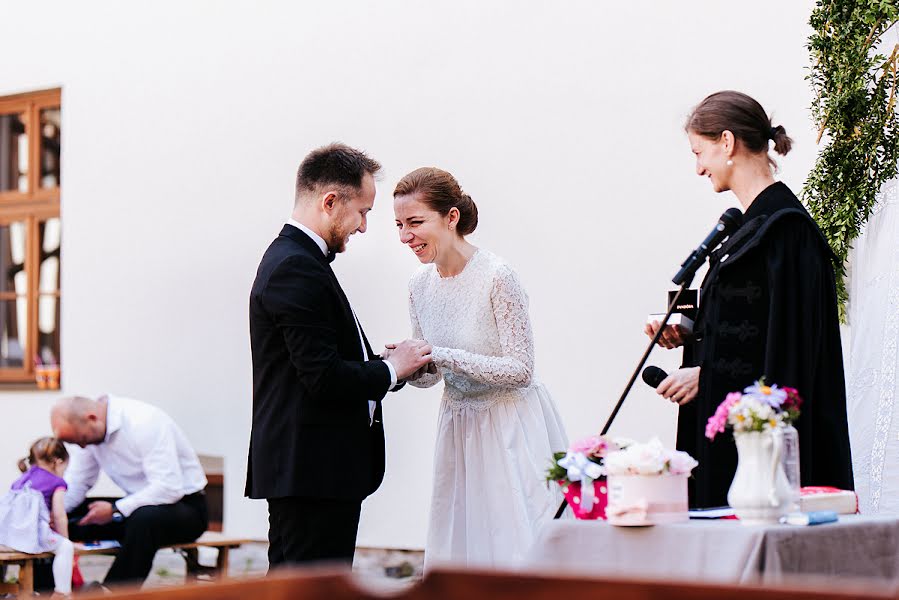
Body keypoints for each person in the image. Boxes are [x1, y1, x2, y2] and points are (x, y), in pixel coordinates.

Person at [645, 91, 854, 508]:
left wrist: (708, 375)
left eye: (699, 152)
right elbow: (747, 324)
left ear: (727, 142)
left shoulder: (787, 233)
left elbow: (791, 351)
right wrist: (689, 333)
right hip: (729, 437)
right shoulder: (749, 229)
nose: (698, 168)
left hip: (763, 462)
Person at [247, 143, 432, 569]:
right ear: (330, 202)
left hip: (316, 469)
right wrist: (390, 369)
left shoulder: (301, 260)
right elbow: (323, 378)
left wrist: (389, 366)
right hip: (311, 469)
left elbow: (318, 358)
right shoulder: (294, 266)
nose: (364, 227)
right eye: (363, 212)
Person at [392, 167, 568, 569]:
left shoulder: (497, 276)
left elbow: (520, 369)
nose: (405, 236)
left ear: (451, 218)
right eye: (400, 225)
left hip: (509, 425)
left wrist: (440, 354)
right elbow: (433, 373)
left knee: (516, 545)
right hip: (458, 427)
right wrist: (405, 365)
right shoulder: (419, 285)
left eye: (416, 222)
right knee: (461, 545)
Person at [50, 394, 208, 586]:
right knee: (66, 516)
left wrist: (116, 509)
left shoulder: (144, 422)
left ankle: (114, 593)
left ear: (92, 418)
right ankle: (45, 589)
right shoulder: (87, 433)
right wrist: (55, 512)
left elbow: (168, 488)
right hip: (135, 507)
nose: (82, 446)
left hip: (186, 508)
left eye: (81, 440)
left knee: (144, 519)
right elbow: (78, 483)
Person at [0, 438, 75, 597]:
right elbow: (59, 515)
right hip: (32, 534)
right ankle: (62, 593)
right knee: (66, 547)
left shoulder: (21, 480)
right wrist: (64, 538)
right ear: (57, 461)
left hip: (8, 536)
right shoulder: (57, 482)